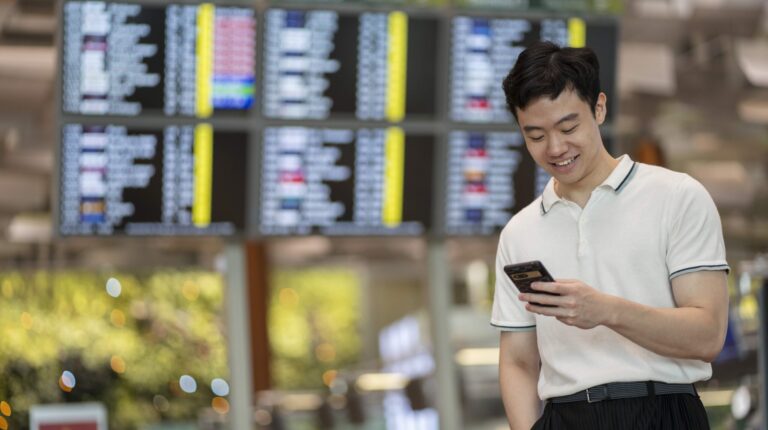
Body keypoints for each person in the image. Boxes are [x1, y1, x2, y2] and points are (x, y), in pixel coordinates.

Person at [492, 41, 730, 430]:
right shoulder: (519, 232)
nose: (555, 148)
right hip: (564, 417)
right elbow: (518, 361)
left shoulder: (677, 196)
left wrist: (606, 311)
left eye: (568, 127)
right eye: (535, 135)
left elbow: (707, 335)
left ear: (599, 108)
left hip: (663, 412)